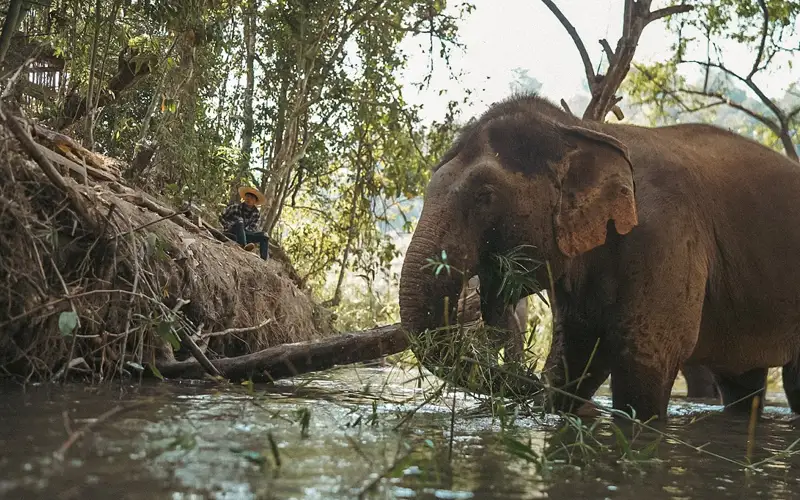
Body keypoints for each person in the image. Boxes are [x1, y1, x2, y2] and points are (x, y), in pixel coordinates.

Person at [219, 186, 270, 260]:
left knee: (265, 235)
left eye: (252, 198)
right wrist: (227, 226)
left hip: (246, 234)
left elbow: (253, 228)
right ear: (244, 197)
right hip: (232, 231)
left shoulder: (256, 214)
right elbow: (221, 216)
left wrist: (247, 232)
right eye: (247, 196)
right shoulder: (235, 207)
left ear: (255, 201)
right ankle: (243, 246)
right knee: (240, 221)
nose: (249, 199)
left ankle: (263, 260)